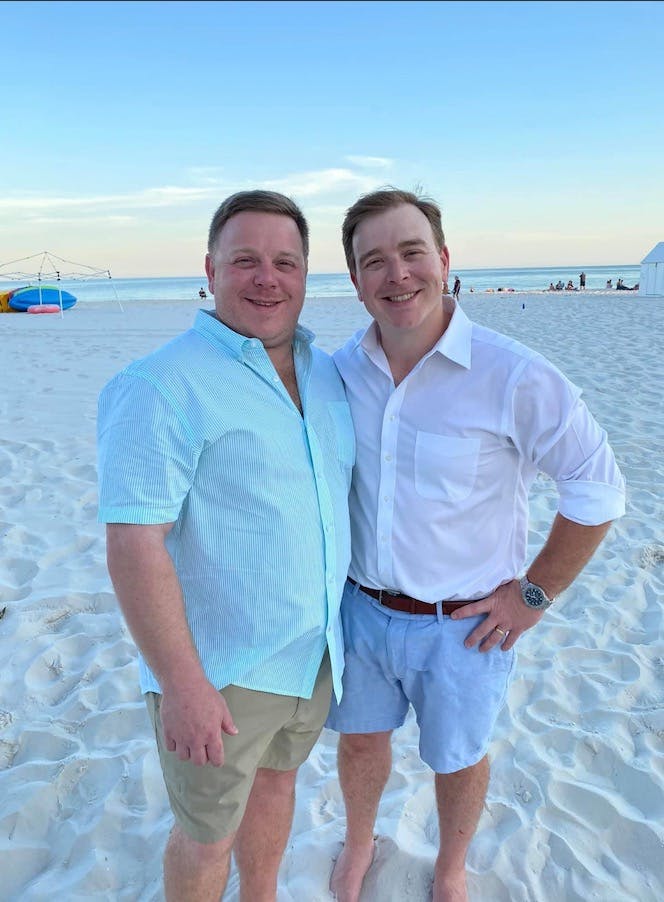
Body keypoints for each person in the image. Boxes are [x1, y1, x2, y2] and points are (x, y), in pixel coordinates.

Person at [325, 188, 626, 902]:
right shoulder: (339, 371)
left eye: (411, 253)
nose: (397, 275)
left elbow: (597, 485)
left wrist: (533, 594)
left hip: (465, 626)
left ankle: (452, 867)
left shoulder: (512, 372)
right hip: (361, 611)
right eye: (375, 261)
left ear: (444, 260)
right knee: (361, 741)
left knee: (456, 757)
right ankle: (361, 841)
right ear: (356, 281)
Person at [97, 190, 354, 902]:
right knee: (206, 836)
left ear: (307, 275)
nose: (267, 277)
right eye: (246, 260)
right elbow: (133, 545)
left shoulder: (327, 373)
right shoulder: (160, 384)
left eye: (285, 262)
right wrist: (182, 685)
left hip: (311, 652)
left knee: (276, 787)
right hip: (220, 670)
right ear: (210, 269)